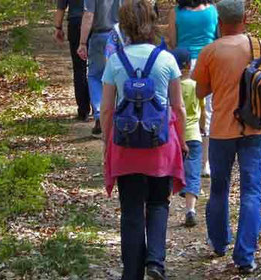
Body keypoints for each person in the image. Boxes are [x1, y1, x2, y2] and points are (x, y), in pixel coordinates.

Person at [101, 0, 188, 278]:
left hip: (125, 145)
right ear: (153, 23)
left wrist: (107, 141)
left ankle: (132, 272)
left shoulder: (116, 61)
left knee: (130, 210)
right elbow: (178, 107)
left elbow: (106, 108)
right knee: (158, 203)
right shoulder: (167, 60)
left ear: (124, 26)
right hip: (159, 143)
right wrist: (183, 140)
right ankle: (155, 262)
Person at [192, 0, 261, 275]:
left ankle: (219, 241)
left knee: (219, 187)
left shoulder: (210, 51)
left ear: (220, 22)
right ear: (245, 18)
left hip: (221, 131)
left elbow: (200, 92)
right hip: (254, 129)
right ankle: (245, 256)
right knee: (251, 191)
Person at [167, 0, 218, 177]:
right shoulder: (212, 11)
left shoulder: (176, 13)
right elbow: (218, 38)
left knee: (181, 109)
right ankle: (206, 163)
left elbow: (173, 42)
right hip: (209, 63)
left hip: (183, 66)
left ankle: (181, 157)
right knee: (208, 112)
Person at [77, 0, 123, 137]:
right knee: (119, 76)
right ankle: (119, 114)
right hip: (120, 36)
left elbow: (88, 14)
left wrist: (82, 42)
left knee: (95, 76)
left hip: (99, 35)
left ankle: (99, 115)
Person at [170, 48, 205, 227]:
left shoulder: (171, 86)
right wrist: (202, 127)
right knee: (193, 174)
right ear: (190, 65)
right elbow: (203, 110)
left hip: (174, 136)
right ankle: (190, 209)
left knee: (169, 172)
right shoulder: (195, 85)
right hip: (193, 135)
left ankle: (163, 205)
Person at [54, 0, 91, 121]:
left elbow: (61, 8)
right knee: (97, 68)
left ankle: (83, 110)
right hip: (95, 23)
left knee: (79, 68)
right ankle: (98, 108)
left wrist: (58, 27)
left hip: (75, 23)